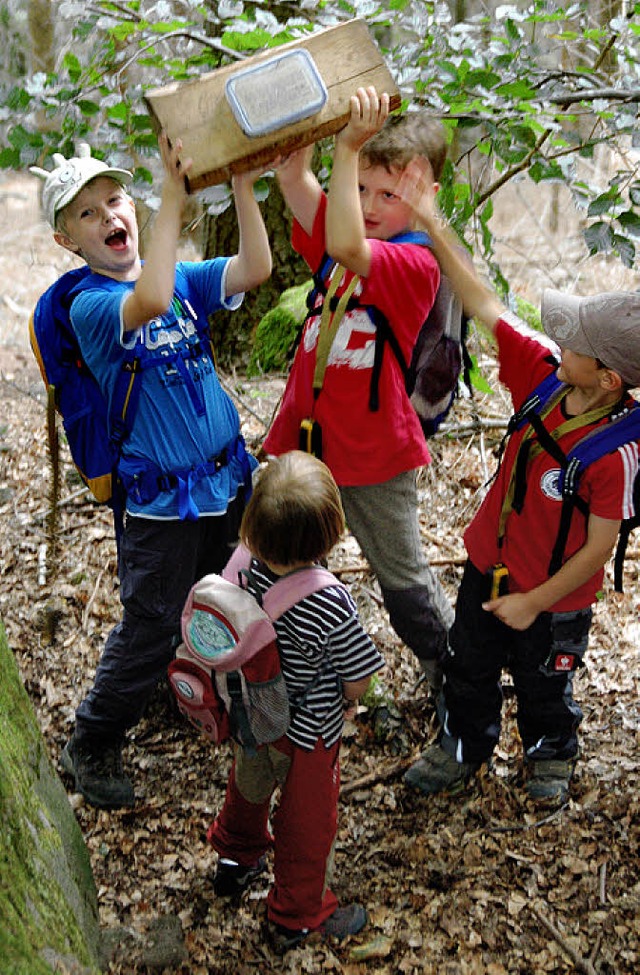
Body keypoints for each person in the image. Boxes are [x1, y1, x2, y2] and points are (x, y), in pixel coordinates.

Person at [30, 133, 272, 809]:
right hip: (162, 503)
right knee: (151, 620)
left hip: (225, 484)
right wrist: (174, 192)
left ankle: (195, 690)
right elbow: (154, 297)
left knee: (232, 596)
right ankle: (93, 739)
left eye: (115, 200)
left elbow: (256, 267)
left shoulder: (183, 278)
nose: (110, 216)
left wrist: (245, 185)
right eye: (88, 213)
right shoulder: (91, 307)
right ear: (66, 240)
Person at [397, 157, 640, 802]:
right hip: (490, 565)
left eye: (575, 341)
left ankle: (550, 751)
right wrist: (430, 218)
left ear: (608, 378)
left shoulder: (613, 454)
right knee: (467, 663)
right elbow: (482, 299)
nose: (559, 339)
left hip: (555, 597)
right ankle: (461, 744)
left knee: (546, 680)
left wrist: (536, 601)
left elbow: (598, 547)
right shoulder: (543, 377)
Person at [263, 86, 454, 696]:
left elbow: (346, 241)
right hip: (307, 442)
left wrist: (346, 151)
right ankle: (285, 669)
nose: (368, 205)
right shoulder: (350, 230)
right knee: (276, 561)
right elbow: (299, 187)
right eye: (363, 189)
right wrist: (302, 148)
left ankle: (454, 681)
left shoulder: (415, 263)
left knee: (404, 583)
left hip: (375, 454)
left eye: (389, 195)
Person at [206, 450, 384, 952]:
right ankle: (296, 914)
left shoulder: (240, 564)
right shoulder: (328, 601)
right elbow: (356, 677)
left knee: (248, 786)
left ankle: (235, 858)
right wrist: (352, 701)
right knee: (308, 820)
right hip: (307, 733)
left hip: (250, 714)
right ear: (329, 534)